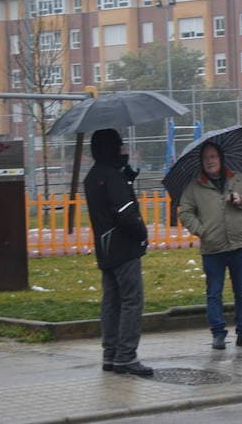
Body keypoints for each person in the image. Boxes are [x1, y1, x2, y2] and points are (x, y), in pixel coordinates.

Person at [178, 142, 242, 350]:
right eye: (206, 157)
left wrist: (240, 198)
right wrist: (201, 230)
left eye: (213, 156)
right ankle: (218, 334)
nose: (210, 161)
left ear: (221, 158)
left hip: (239, 246)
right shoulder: (194, 186)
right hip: (213, 248)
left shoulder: (239, 178)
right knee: (214, 293)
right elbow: (185, 212)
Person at [83, 129, 152, 376]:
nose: (124, 149)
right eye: (120, 145)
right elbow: (125, 213)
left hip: (105, 248)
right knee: (132, 301)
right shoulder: (112, 177)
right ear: (112, 148)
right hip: (124, 248)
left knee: (111, 302)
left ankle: (110, 354)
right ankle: (126, 356)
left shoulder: (92, 177)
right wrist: (142, 233)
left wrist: (127, 179)